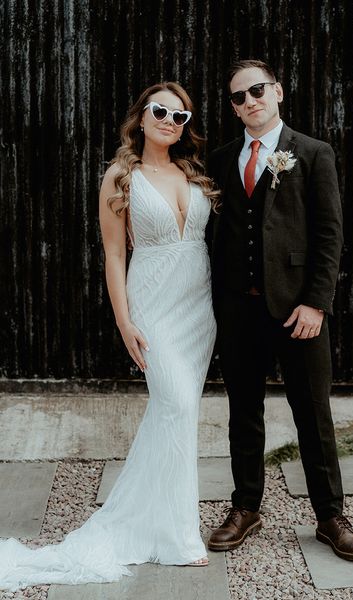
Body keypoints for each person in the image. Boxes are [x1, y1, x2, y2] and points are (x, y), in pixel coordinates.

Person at [0, 82, 218, 591]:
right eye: (159, 111)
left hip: (198, 309)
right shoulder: (121, 177)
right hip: (154, 306)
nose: (169, 121)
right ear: (140, 118)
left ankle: (162, 522)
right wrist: (124, 321)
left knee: (173, 414)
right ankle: (180, 535)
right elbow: (115, 254)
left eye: (180, 116)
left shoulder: (192, 174)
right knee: (179, 405)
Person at [206, 59, 353, 562]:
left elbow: (329, 234)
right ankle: (246, 507)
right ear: (233, 108)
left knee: (313, 415)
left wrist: (316, 303)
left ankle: (330, 516)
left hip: (299, 311)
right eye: (238, 96)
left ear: (277, 91)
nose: (249, 100)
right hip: (239, 311)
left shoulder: (313, 153)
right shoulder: (221, 158)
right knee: (244, 414)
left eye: (257, 89)